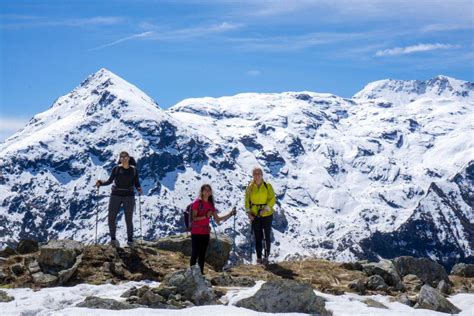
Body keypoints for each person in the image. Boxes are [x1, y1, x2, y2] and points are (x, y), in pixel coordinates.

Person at [96, 151, 142, 247]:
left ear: (129, 158)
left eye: (125, 157)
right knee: (111, 218)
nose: (124, 159)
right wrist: (101, 183)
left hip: (128, 196)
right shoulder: (116, 169)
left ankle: (130, 241)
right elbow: (110, 181)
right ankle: (113, 240)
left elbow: (136, 182)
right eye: (122, 157)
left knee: (128, 219)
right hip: (116, 195)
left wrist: (138, 188)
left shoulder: (134, 170)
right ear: (120, 159)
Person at [190, 184, 236, 274]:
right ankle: (192, 273)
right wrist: (205, 216)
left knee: (202, 254)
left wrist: (230, 214)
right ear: (202, 192)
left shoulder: (210, 205)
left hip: (205, 233)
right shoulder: (197, 203)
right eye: (205, 190)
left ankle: (200, 273)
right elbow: (194, 218)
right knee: (195, 253)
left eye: (208, 190)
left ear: (210, 192)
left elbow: (217, 219)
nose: (207, 192)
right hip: (196, 232)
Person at [245, 167, 276, 264]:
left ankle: (266, 258)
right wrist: (249, 213)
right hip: (255, 215)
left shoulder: (268, 186)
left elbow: (272, 199)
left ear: (262, 175)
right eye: (255, 173)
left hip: (266, 214)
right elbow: (247, 201)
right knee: (257, 236)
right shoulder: (249, 188)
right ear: (253, 176)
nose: (257, 175)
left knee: (266, 235)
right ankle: (259, 258)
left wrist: (265, 209)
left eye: (259, 173)